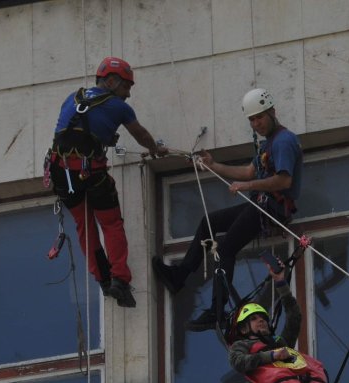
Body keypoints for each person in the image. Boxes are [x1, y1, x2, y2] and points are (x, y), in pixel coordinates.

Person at [151, 88, 303, 330]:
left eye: (260, 117)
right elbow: (247, 172)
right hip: (261, 203)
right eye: (252, 120)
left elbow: (284, 181)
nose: (256, 124)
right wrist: (214, 166)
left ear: (272, 112)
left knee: (226, 248)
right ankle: (179, 276)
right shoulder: (269, 144)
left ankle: (216, 310)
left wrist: (248, 186)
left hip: (271, 208)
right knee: (208, 223)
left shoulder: (284, 141)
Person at [48, 56, 168, 308]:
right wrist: (155, 148)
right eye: (126, 87)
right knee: (111, 223)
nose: (127, 95)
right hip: (91, 172)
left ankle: (102, 279)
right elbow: (140, 134)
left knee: (84, 226)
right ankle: (120, 280)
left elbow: (77, 128)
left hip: (63, 173)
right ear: (112, 82)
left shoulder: (73, 97)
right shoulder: (118, 107)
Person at [228, 263, 301, 374]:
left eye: (263, 318)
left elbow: (294, 316)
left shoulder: (280, 343)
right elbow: (238, 362)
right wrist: (272, 355)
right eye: (254, 318)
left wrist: (280, 282)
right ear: (244, 329)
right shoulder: (241, 345)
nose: (261, 320)